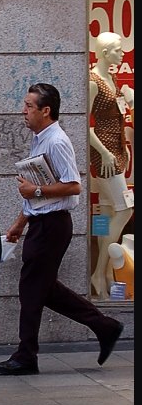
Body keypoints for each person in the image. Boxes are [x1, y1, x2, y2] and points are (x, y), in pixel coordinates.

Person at [0, 83, 124, 377]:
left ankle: (26, 356)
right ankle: (105, 326)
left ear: (45, 110)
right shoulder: (40, 138)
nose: (23, 111)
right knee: (44, 288)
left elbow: (73, 185)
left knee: (31, 287)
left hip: (53, 226)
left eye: (29, 106)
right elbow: (36, 192)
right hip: (42, 223)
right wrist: (19, 223)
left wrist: (35, 191)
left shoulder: (56, 141)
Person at [88, 32, 134, 300]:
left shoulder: (111, 78)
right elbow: (86, 123)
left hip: (116, 150)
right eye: (117, 50)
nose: (122, 54)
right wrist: (105, 153)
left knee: (105, 213)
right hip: (105, 155)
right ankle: (98, 270)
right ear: (105, 53)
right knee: (125, 210)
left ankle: (104, 276)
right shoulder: (94, 82)